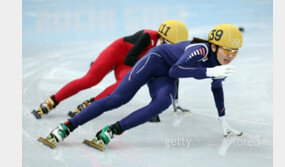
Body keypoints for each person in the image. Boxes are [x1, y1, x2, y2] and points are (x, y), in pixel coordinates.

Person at [40, 24, 243, 149]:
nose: (231, 55)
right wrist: (207, 72)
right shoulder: (199, 50)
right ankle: (67, 127)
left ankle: (112, 130)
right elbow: (176, 71)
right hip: (154, 60)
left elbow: (217, 88)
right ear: (214, 45)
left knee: (163, 101)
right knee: (118, 99)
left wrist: (222, 118)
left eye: (235, 51)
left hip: (165, 73)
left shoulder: (221, 64)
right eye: (228, 49)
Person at [31, 20, 189, 120]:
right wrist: (149, 68)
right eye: (168, 43)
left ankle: (90, 104)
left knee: (124, 83)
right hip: (118, 53)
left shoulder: (166, 50)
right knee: (90, 80)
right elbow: (130, 58)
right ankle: (52, 101)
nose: (170, 48)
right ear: (162, 37)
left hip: (128, 64)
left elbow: (175, 71)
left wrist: (175, 100)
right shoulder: (148, 36)